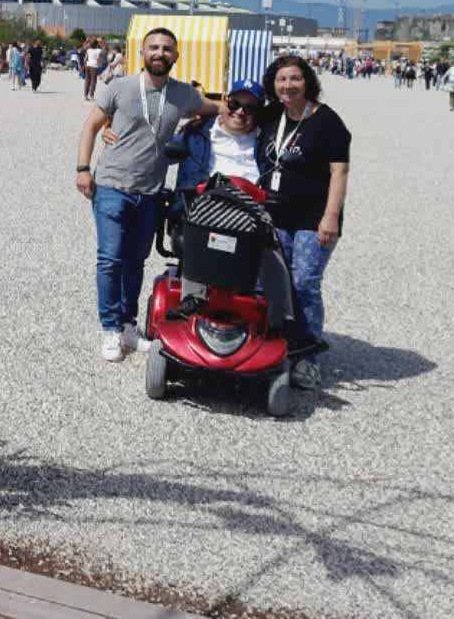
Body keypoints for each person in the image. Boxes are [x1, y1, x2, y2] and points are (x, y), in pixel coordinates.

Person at [77, 27, 219, 361]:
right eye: (153, 47)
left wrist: (196, 125)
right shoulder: (120, 86)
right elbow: (90, 126)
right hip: (112, 186)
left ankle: (128, 324)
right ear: (141, 53)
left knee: (136, 262)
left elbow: (218, 108)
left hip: (151, 192)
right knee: (110, 259)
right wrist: (82, 168)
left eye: (167, 49)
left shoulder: (183, 94)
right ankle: (110, 327)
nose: (160, 53)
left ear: (176, 56)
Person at [168, 79, 304, 339]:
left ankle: (281, 320)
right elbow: (158, 142)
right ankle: (193, 298)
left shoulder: (267, 142)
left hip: (249, 213)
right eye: (235, 104)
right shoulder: (198, 132)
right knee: (198, 233)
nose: (240, 112)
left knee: (271, 248)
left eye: (250, 108)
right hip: (203, 209)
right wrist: (113, 133)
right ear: (225, 102)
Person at [257, 54, 350, 388]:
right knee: (273, 280)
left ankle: (307, 356)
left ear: (307, 81)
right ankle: (277, 341)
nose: (288, 85)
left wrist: (331, 217)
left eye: (295, 78)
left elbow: (339, 172)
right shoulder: (271, 114)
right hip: (275, 214)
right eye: (281, 79)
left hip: (313, 217)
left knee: (304, 282)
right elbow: (232, 114)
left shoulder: (327, 121)